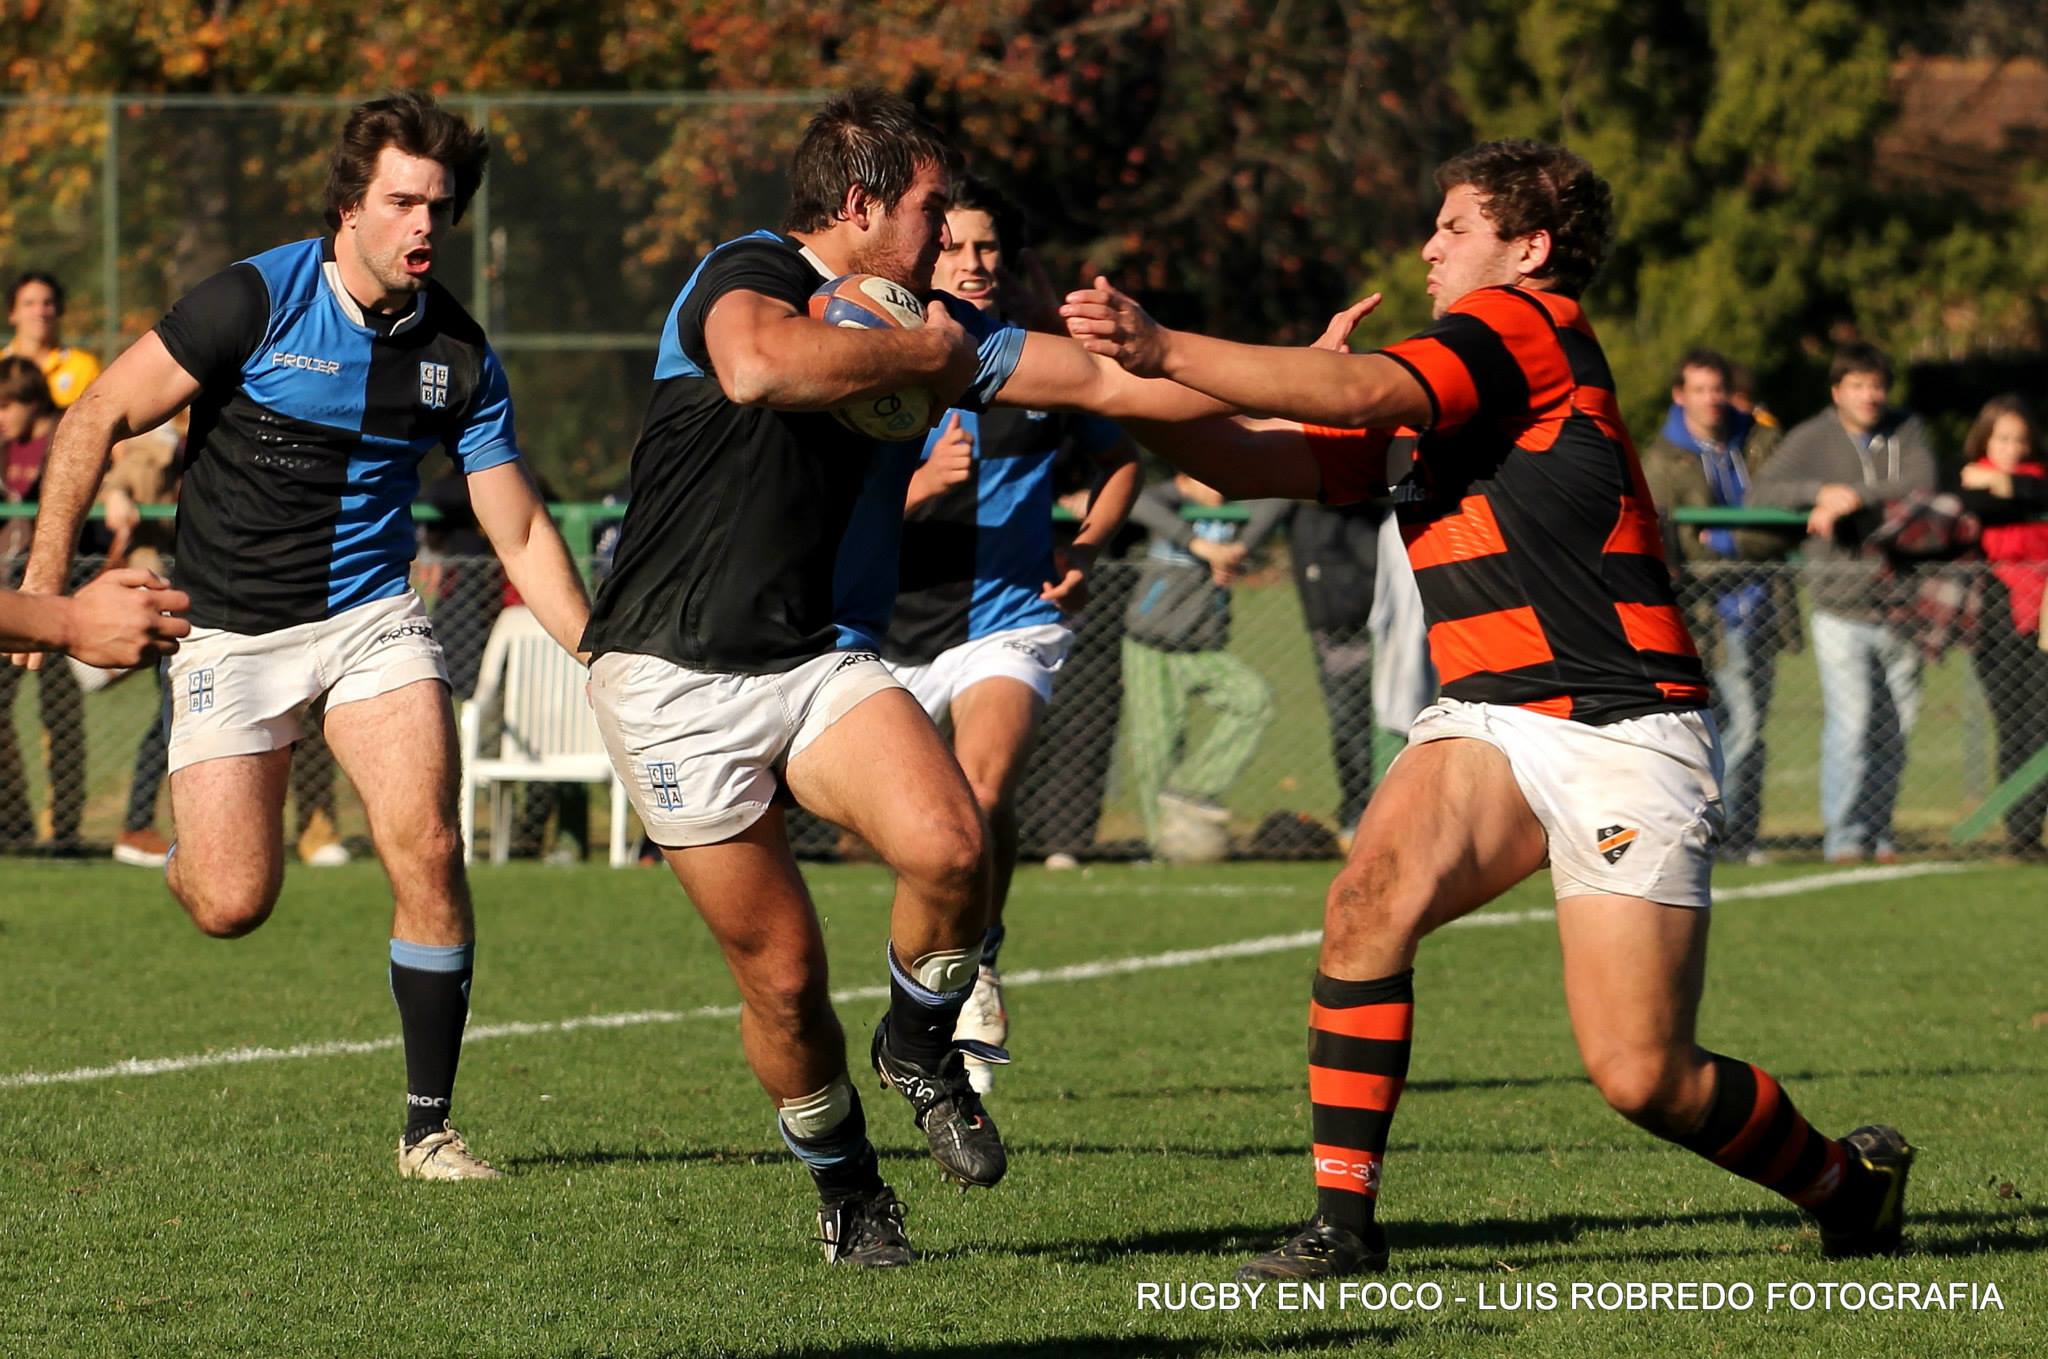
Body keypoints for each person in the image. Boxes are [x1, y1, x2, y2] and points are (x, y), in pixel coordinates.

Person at [1060, 137, 1913, 1275]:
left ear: (1528, 248)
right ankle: (1341, 1229)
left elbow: (1358, 386)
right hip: (1493, 716)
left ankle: (1840, 1185)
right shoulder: (1448, 388)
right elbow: (1238, 462)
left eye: (1454, 225)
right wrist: (1113, 389)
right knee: (1366, 899)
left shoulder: (1527, 326)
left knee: (1640, 1075)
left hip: (1618, 728)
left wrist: (1164, 346)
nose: (1428, 244)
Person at [581, 88, 1223, 1267]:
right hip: (669, 676)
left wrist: (1278, 384)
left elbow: (1103, 388)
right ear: (862, 203)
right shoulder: (749, 270)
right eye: (931, 208)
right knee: (783, 986)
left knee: (952, 844)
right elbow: (757, 370)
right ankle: (848, 1187)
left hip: (816, 656)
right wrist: (921, 353)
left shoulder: (934, 320)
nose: (946, 233)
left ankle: (920, 1042)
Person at [12, 91, 591, 1180]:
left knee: (424, 842)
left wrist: (599, 653)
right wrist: (48, 594)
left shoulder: (458, 353)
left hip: (369, 621)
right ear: (350, 205)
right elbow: (96, 418)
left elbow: (514, 524)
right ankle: (189, 853)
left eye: (441, 204)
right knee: (233, 903)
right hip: (226, 631)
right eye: (402, 200)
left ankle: (428, 1127)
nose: (425, 224)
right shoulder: (256, 297)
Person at [883, 176, 1142, 1092]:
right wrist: (918, 490)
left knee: (984, 788)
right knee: (923, 834)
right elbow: (822, 511)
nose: (971, 262)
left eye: (987, 247)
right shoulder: (874, 356)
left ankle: (977, 959)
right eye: (953, 246)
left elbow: (1120, 463)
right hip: (885, 636)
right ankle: (921, 997)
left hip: (1009, 622)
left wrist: (1087, 547)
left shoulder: (1042, 365)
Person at [1750, 343, 1936, 862]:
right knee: (1851, 727)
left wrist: (1854, 495)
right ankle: (1846, 837)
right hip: (1839, 605)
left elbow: (1922, 480)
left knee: (1896, 728)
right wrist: (1819, 491)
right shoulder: (1812, 436)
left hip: (1903, 605)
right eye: (1857, 385)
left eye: (1876, 384)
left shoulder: (1906, 429)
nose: (1870, 395)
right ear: (1837, 392)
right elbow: (1761, 493)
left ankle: (1880, 832)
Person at [1641, 348, 1797, 864]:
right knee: (1718, 726)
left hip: (1760, 604)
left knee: (1752, 725)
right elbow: (1676, 543)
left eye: (1718, 389)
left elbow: (1782, 522)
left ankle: (1739, 834)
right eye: (1700, 389)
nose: (1711, 400)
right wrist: (1723, 541)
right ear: (1680, 395)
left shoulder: (1761, 442)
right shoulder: (1662, 460)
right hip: (1700, 615)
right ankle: (1709, 829)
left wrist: (1727, 538)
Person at [1120, 474, 1283, 859]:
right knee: (1154, 748)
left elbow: (1280, 499)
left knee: (1253, 699)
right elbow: (1136, 501)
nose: (1216, 483)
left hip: (1204, 647)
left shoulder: (1237, 506)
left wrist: (1238, 549)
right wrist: (1200, 546)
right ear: (1182, 479)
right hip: (1150, 644)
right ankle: (1164, 848)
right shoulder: (1168, 498)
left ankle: (1192, 788)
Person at [0, 356, 87, 852]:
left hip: (61, 594)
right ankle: (13, 824)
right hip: (12, 599)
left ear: (30, 401)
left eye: (7, 405)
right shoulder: (2, 447)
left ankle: (66, 832)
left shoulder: (63, 437)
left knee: (60, 719)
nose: (2, 416)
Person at [1957, 396, 2048, 856]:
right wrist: (1994, 484)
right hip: (1995, 608)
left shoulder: (2031, 480)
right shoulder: (1969, 481)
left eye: (2020, 440)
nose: (2012, 448)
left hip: (2044, 608)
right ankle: (2023, 833)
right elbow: (1967, 504)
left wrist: (2001, 481)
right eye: (2003, 439)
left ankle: (2032, 819)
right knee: (2012, 721)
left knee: (2043, 719)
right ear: (1986, 439)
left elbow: (2037, 494)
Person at [5, 272, 103, 410]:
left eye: (47, 303)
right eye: (29, 304)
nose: (40, 312)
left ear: (59, 310)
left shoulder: (84, 367)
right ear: (12, 313)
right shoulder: (2, 365)